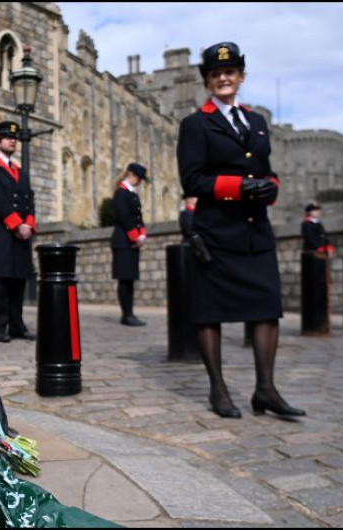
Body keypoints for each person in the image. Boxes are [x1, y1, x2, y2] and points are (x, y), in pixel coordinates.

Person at [177, 41, 304, 419]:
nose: (223, 78)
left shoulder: (257, 123)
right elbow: (192, 180)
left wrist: (271, 187)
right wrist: (238, 187)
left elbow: (267, 169)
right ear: (207, 82)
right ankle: (219, 390)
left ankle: (265, 389)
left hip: (254, 231)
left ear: (241, 77)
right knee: (210, 312)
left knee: (267, 309)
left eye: (229, 72)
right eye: (216, 74)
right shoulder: (195, 124)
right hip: (216, 231)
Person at [0, 121, 37, 343]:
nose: (13, 140)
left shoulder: (21, 172)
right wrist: (16, 224)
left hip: (21, 233)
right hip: (0, 233)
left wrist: (29, 224)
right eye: (7, 137)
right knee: (0, 283)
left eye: (15, 138)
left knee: (18, 281)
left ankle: (17, 325)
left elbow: (29, 199)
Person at [110, 163, 149, 327]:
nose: (140, 181)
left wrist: (143, 234)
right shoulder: (121, 193)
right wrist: (135, 237)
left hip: (131, 241)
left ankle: (130, 313)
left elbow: (137, 217)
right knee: (124, 279)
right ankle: (126, 314)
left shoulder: (133, 195)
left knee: (130, 279)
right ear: (131, 175)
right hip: (123, 240)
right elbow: (124, 218)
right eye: (139, 178)